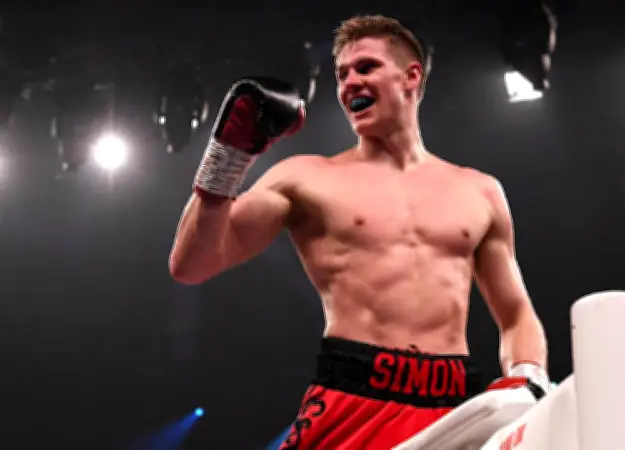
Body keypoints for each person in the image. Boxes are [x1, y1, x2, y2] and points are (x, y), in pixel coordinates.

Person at [169, 14, 550, 450]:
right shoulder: (306, 178)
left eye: (366, 67)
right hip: (353, 401)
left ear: (411, 76)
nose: (350, 82)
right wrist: (227, 157)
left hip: (454, 408)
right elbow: (192, 264)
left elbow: (516, 314)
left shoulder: (479, 191)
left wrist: (528, 375)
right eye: (342, 75)